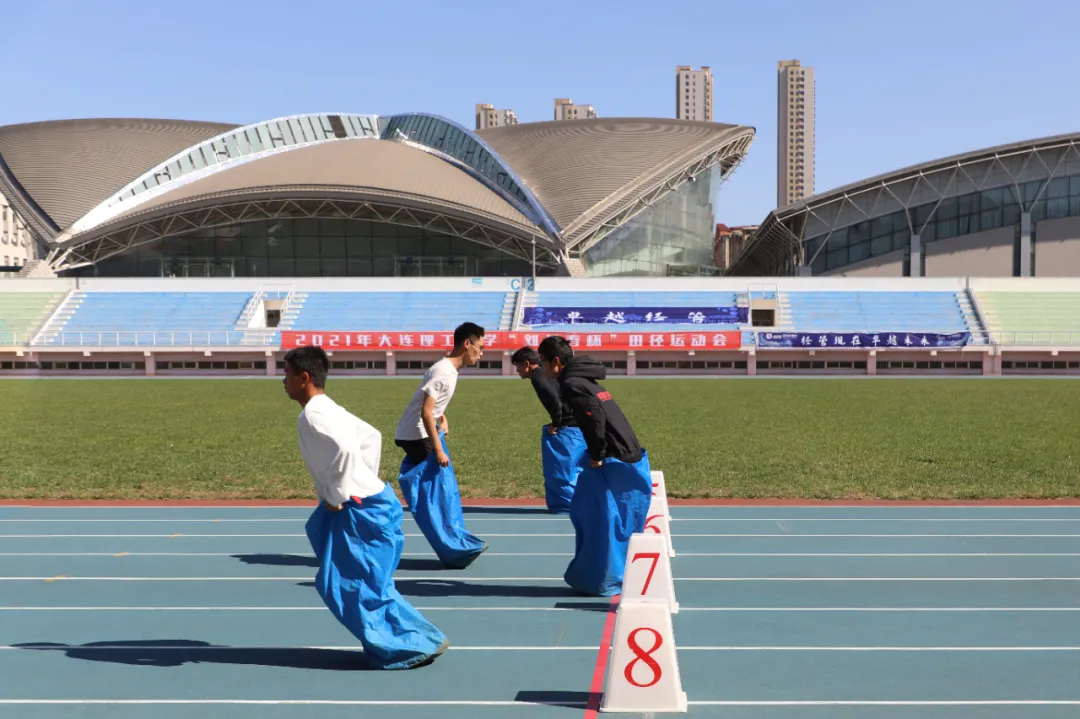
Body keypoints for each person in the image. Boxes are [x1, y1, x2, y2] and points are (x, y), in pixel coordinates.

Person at [283, 345, 448, 669]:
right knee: (366, 583)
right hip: (372, 499)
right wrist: (366, 478)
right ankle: (417, 639)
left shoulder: (313, 415)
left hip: (359, 507)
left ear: (304, 377)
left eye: (286, 374)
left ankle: (406, 647)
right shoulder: (328, 407)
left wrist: (340, 494)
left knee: (348, 585)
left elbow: (346, 449)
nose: (282, 381)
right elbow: (371, 436)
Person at [536, 335, 652, 596]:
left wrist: (597, 454)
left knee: (597, 518)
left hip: (614, 457)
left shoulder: (572, 383)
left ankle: (603, 577)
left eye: (542, 361)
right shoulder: (586, 379)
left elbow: (593, 418)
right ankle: (598, 575)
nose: (541, 367)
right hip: (626, 452)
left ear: (556, 361)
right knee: (595, 513)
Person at [393, 322, 488, 569]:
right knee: (439, 493)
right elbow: (425, 411)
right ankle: (453, 547)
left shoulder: (448, 369)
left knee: (436, 491)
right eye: (480, 347)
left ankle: (453, 543)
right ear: (467, 344)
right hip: (417, 435)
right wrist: (438, 449)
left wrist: (440, 419)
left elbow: (430, 406)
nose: (481, 353)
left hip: (417, 432)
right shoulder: (443, 371)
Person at [511, 345, 587, 514]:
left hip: (568, 426)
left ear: (527, 364)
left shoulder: (538, 378)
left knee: (564, 471)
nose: (517, 370)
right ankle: (579, 503)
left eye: (517, 366)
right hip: (578, 424)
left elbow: (555, 400)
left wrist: (556, 423)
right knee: (576, 468)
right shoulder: (544, 374)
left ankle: (567, 504)